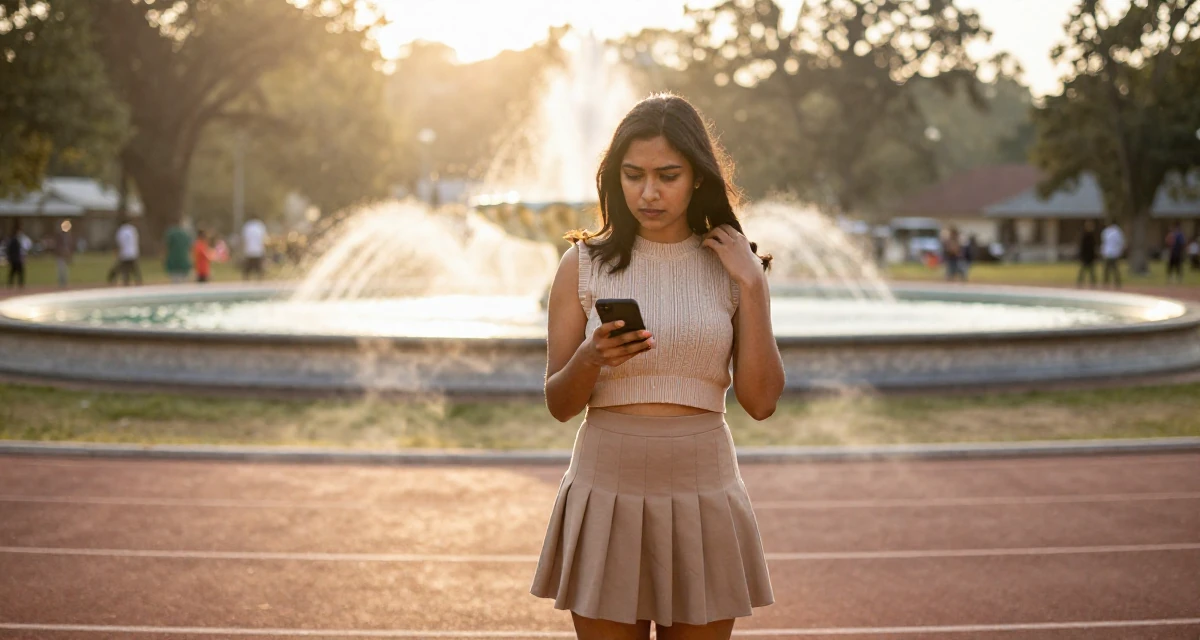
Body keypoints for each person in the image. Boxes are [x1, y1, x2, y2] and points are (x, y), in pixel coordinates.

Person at [531, 94, 783, 640]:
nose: (648, 192)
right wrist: (590, 358)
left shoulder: (734, 266)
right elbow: (558, 403)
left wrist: (753, 285)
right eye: (633, 175)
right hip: (606, 485)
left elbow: (761, 403)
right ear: (614, 178)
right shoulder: (581, 264)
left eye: (667, 175)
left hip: (703, 487)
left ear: (697, 177)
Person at [107, 217, 143, 286]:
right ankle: (138, 281)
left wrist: (118, 251)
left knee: (124, 267)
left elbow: (119, 242)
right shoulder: (133, 229)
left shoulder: (121, 231)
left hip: (125, 252)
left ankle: (124, 280)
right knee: (133, 267)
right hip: (133, 251)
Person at [5, 221, 30, 289]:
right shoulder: (13, 240)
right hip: (15, 259)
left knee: (17, 272)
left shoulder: (19, 239)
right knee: (14, 272)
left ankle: (19, 284)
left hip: (17, 258)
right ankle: (13, 284)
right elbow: (10, 250)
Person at [1100, 219, 1124, 289]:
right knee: (1111, 269)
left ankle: (1109, 284)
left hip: (1110, 253)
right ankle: (1111, 283)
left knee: (1111, 269)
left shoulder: (1109, 231)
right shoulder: (1116, 232)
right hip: (1111, 253)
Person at [1077, 220, 1098, 288]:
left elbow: (1094, 247)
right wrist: (1081, 256)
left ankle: (1093, 284)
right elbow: (1082, 247)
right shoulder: (1084, 236)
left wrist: (1094, 256)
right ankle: (1079, 283)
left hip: (1091, 256)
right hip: (1085, 256)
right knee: (1083, 271)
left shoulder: (1092, 236)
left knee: (1092, 272)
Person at [54, 221, 74, 287]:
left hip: (66, 254)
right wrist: (61, 252)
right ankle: (61, 282)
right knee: (60, 269)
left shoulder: (68, 236)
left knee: (65, 269)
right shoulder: (59, 235)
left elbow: (70, 246)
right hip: (60, 255)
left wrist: (69, 255)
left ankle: (64, 282)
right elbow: (57, 245)